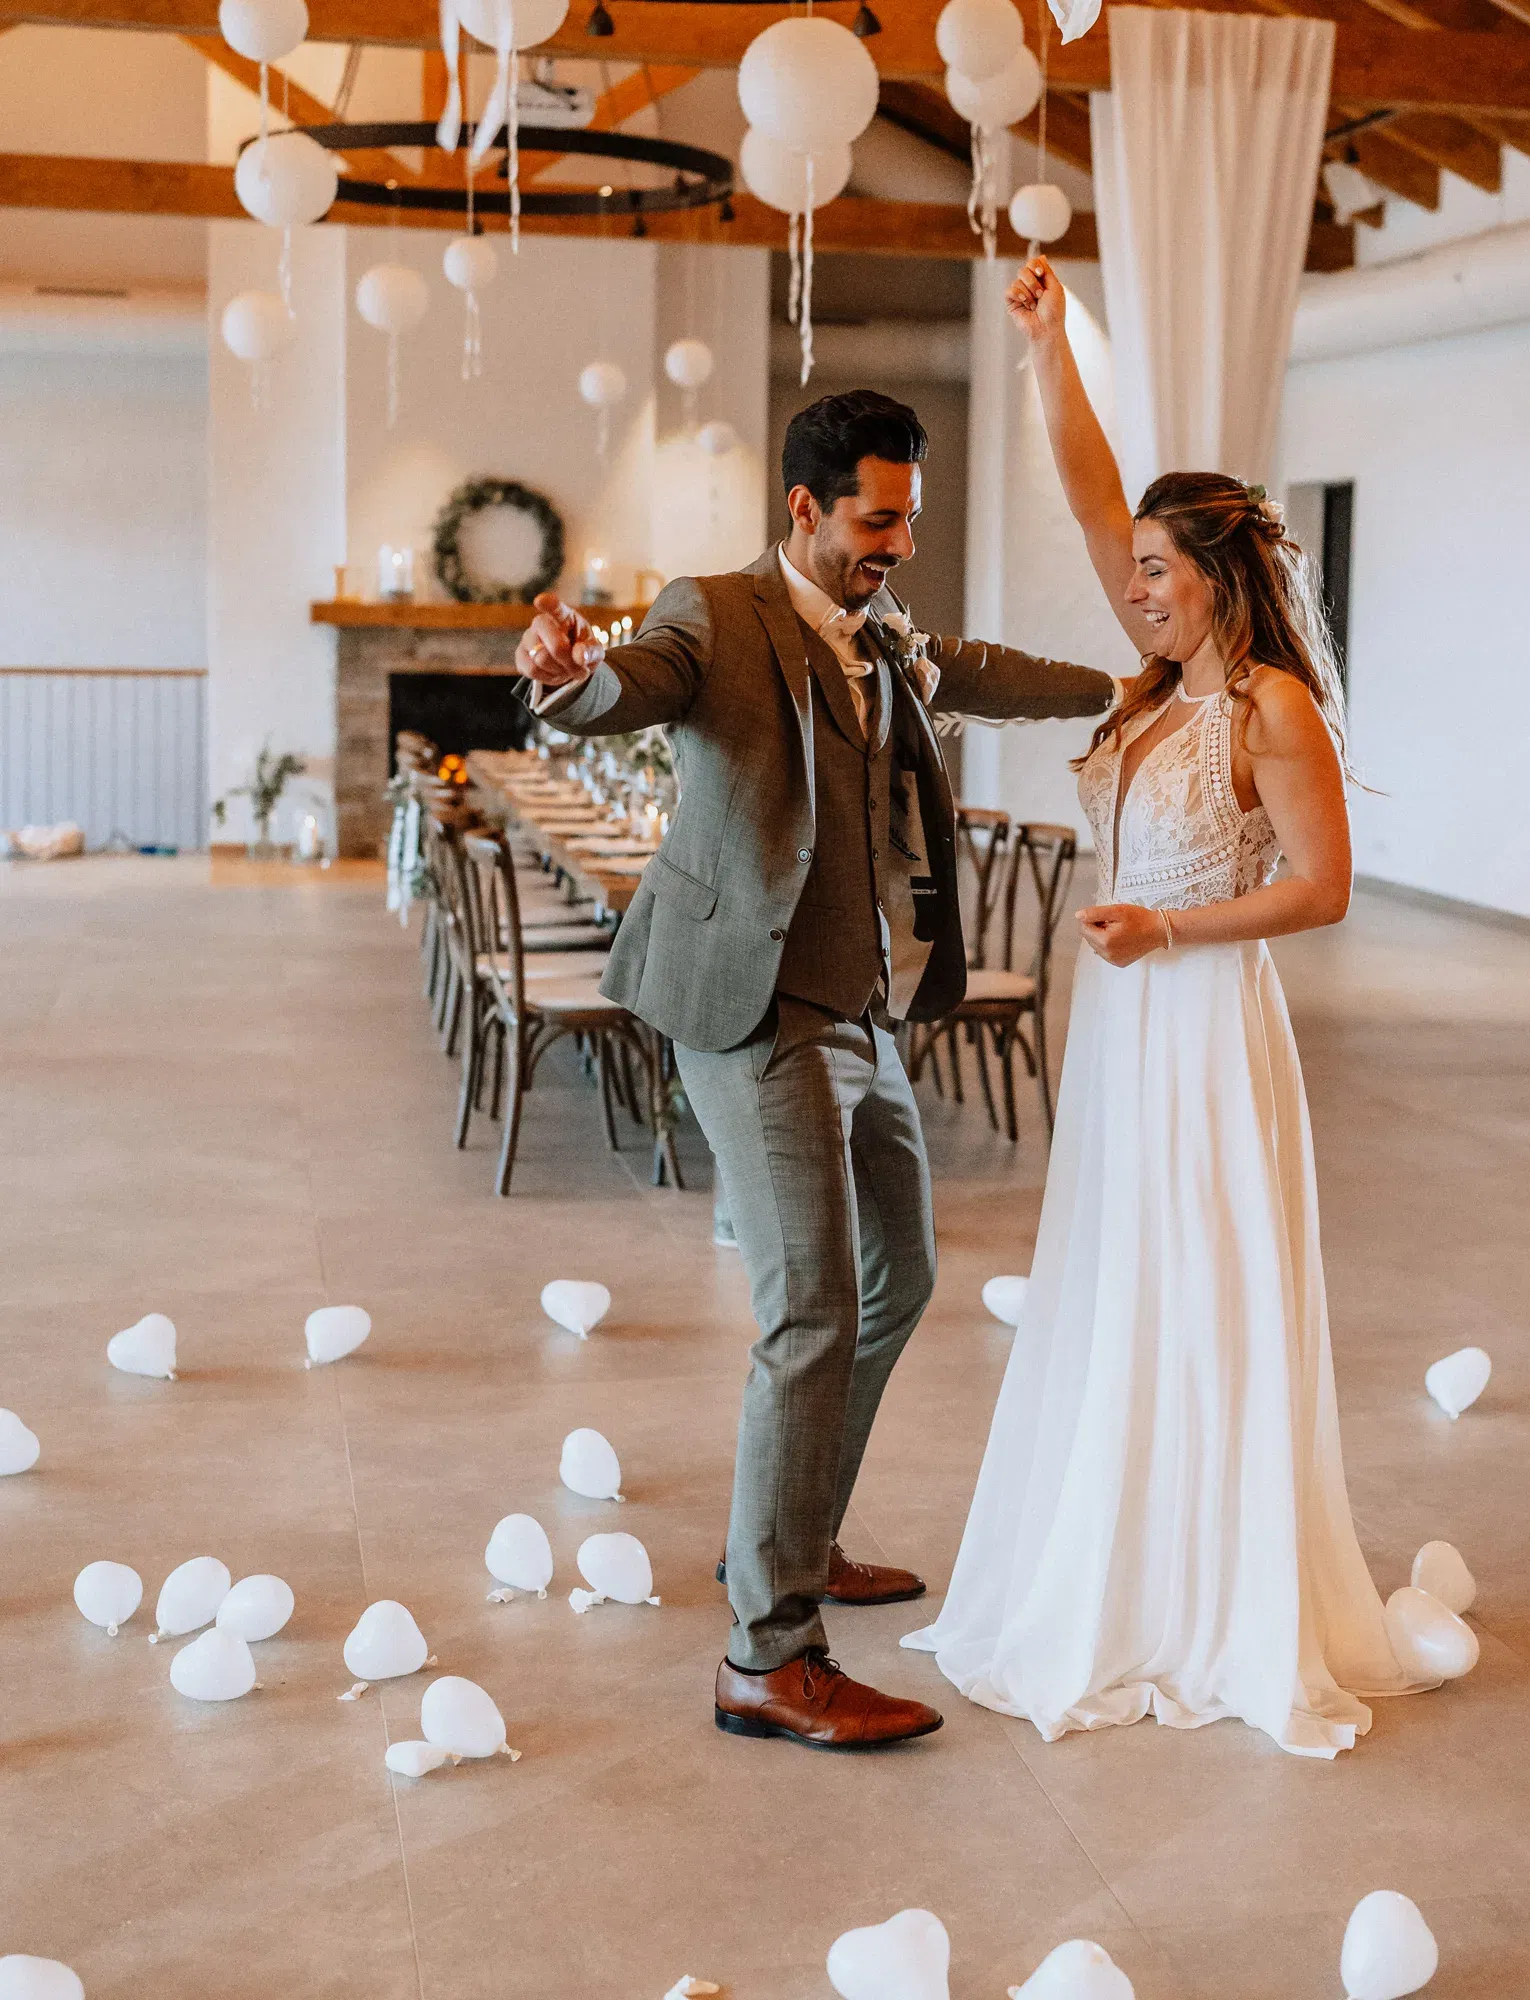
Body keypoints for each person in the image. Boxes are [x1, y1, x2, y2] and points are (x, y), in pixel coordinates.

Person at [516, 390, 1115, 1750]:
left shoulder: (883, 621)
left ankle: (789, 1537)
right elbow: (626, 687)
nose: (899, 542)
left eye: (911, 516)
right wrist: (563, 675)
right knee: (813, 1312)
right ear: (805, 507)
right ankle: (766, 1655)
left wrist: (1128, 687)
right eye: (878, 518)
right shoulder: (715, 615)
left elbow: (970, 669)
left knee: (903, 1276)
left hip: (864, 1010)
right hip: (750, 1011)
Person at [901, 260, 1437, 1759]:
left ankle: (1211, 1594)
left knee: (1206, 1283)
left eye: (1155, 567)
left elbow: (1324, 891)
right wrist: (1043, 345)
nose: (1131, 585)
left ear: (1220, 572)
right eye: (1129, 566)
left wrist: (1172, 927)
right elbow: (1085, 493)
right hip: (1130, 1023)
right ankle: (1116, 1556)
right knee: (1124, 1281)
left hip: (1203, 1022)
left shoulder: (1270, 706)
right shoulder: (1148, 691)